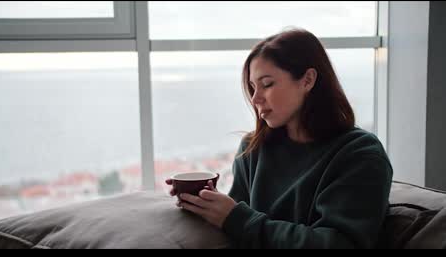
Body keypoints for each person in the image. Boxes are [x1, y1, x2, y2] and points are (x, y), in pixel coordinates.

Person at [165, 28, 393, 249]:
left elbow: (338, 243)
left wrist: (236, 219)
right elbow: (234, 231)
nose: (255, 99)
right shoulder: (252, 149)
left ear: (307, 80)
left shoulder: (359, 154)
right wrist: (202, 204)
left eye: (267, 84)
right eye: (253, 87)